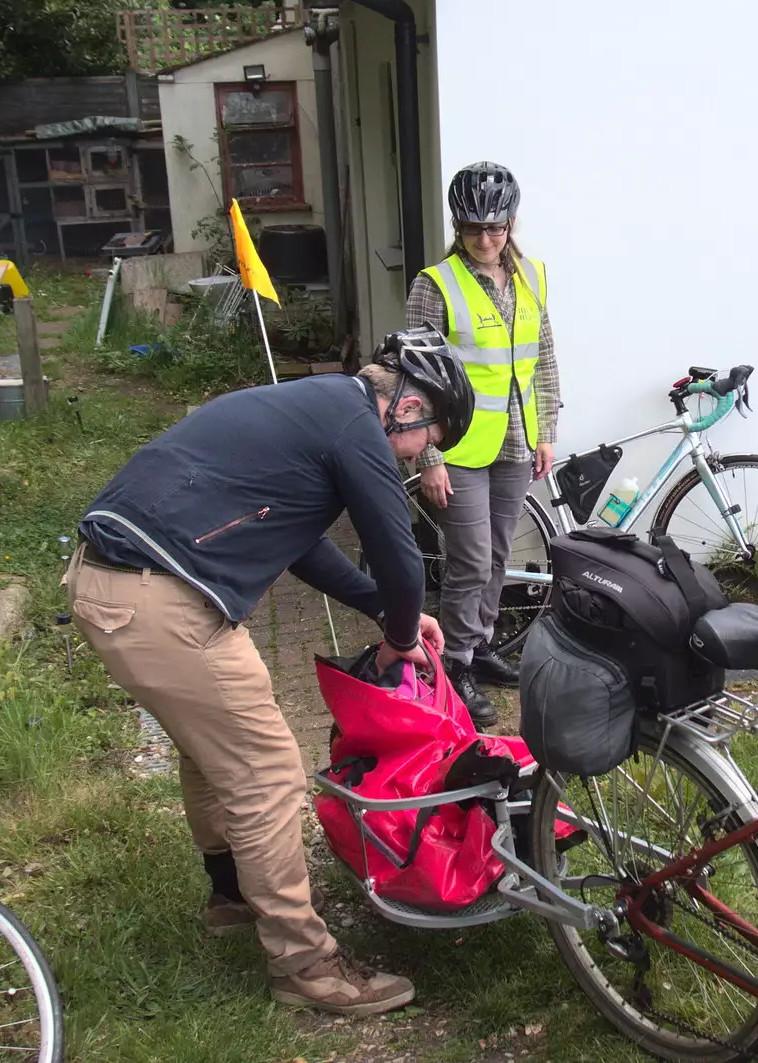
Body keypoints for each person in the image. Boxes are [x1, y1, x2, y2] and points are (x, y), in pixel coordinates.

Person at [64, 326, 474, 1016]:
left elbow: (306, 545)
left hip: (104, 582)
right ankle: (307, 966)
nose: (416, 456)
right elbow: (403, 561)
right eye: (427, 440)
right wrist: (401, 632)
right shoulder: (357, 427)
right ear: (407, 406)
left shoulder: (314, 404)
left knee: (210, 751)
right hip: (161, 601)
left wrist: (380, 611)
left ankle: (230, 895)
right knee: (268, 774)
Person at [405, 161, 562, 728]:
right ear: (458, 225)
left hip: (516, 440)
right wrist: (427, 456)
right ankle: (455, 663)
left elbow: (543, 357)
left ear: (512, 222)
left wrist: (546, 430)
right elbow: (413, 377)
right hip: (458, 446)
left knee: (500, 555)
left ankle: (482, 644)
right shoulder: (436, 283)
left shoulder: (533, 276)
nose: (486, 239)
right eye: (474, 228)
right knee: (470, 561)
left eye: (496, 228)